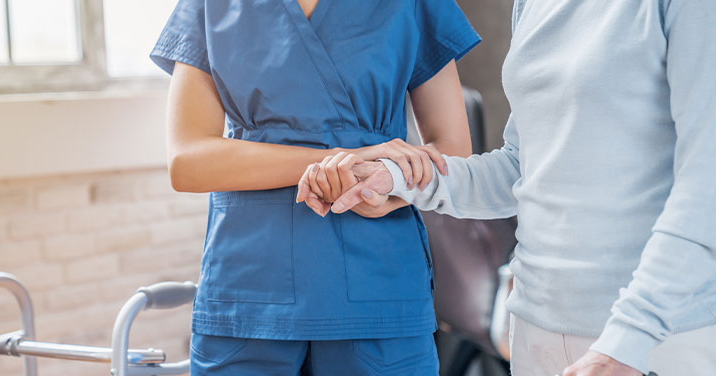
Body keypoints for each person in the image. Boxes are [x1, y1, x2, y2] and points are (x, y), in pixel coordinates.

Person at [297, 0, 716, 375]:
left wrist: (630, 339)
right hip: (537, 327)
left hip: (653, 338)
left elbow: (706, 188)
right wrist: (400, 178)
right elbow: (521, 167)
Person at [149, 0, 480, 374]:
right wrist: (341, 159)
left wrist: (391, 182)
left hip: (377, 288)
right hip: (250, 290)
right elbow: (188, 162)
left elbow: (452, 153)